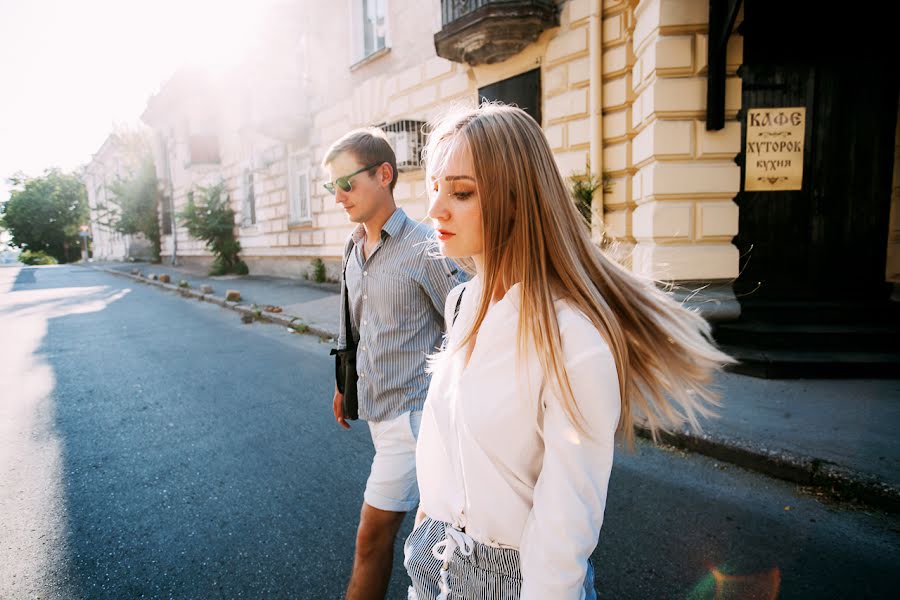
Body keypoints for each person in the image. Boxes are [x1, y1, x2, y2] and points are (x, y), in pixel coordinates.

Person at [403, 104, 734, 600]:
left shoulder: (573, 339)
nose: (435, 211)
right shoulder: (462, 303)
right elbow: (443, 445)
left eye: (461, 191)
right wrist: (425, 534)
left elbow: (564, 527)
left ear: (517, 199)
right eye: (434, 187)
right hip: (436, 567)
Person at [323, 128, 465, 600]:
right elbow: (354, 325)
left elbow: (470, 321)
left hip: (417, 419)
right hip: (380, 413)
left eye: (347, 183)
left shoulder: (426, 246)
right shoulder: (352, 249)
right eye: (333, 187)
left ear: (384, 175)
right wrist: (346, 385)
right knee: (434, 546)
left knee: (377, 538)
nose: (340, 196)